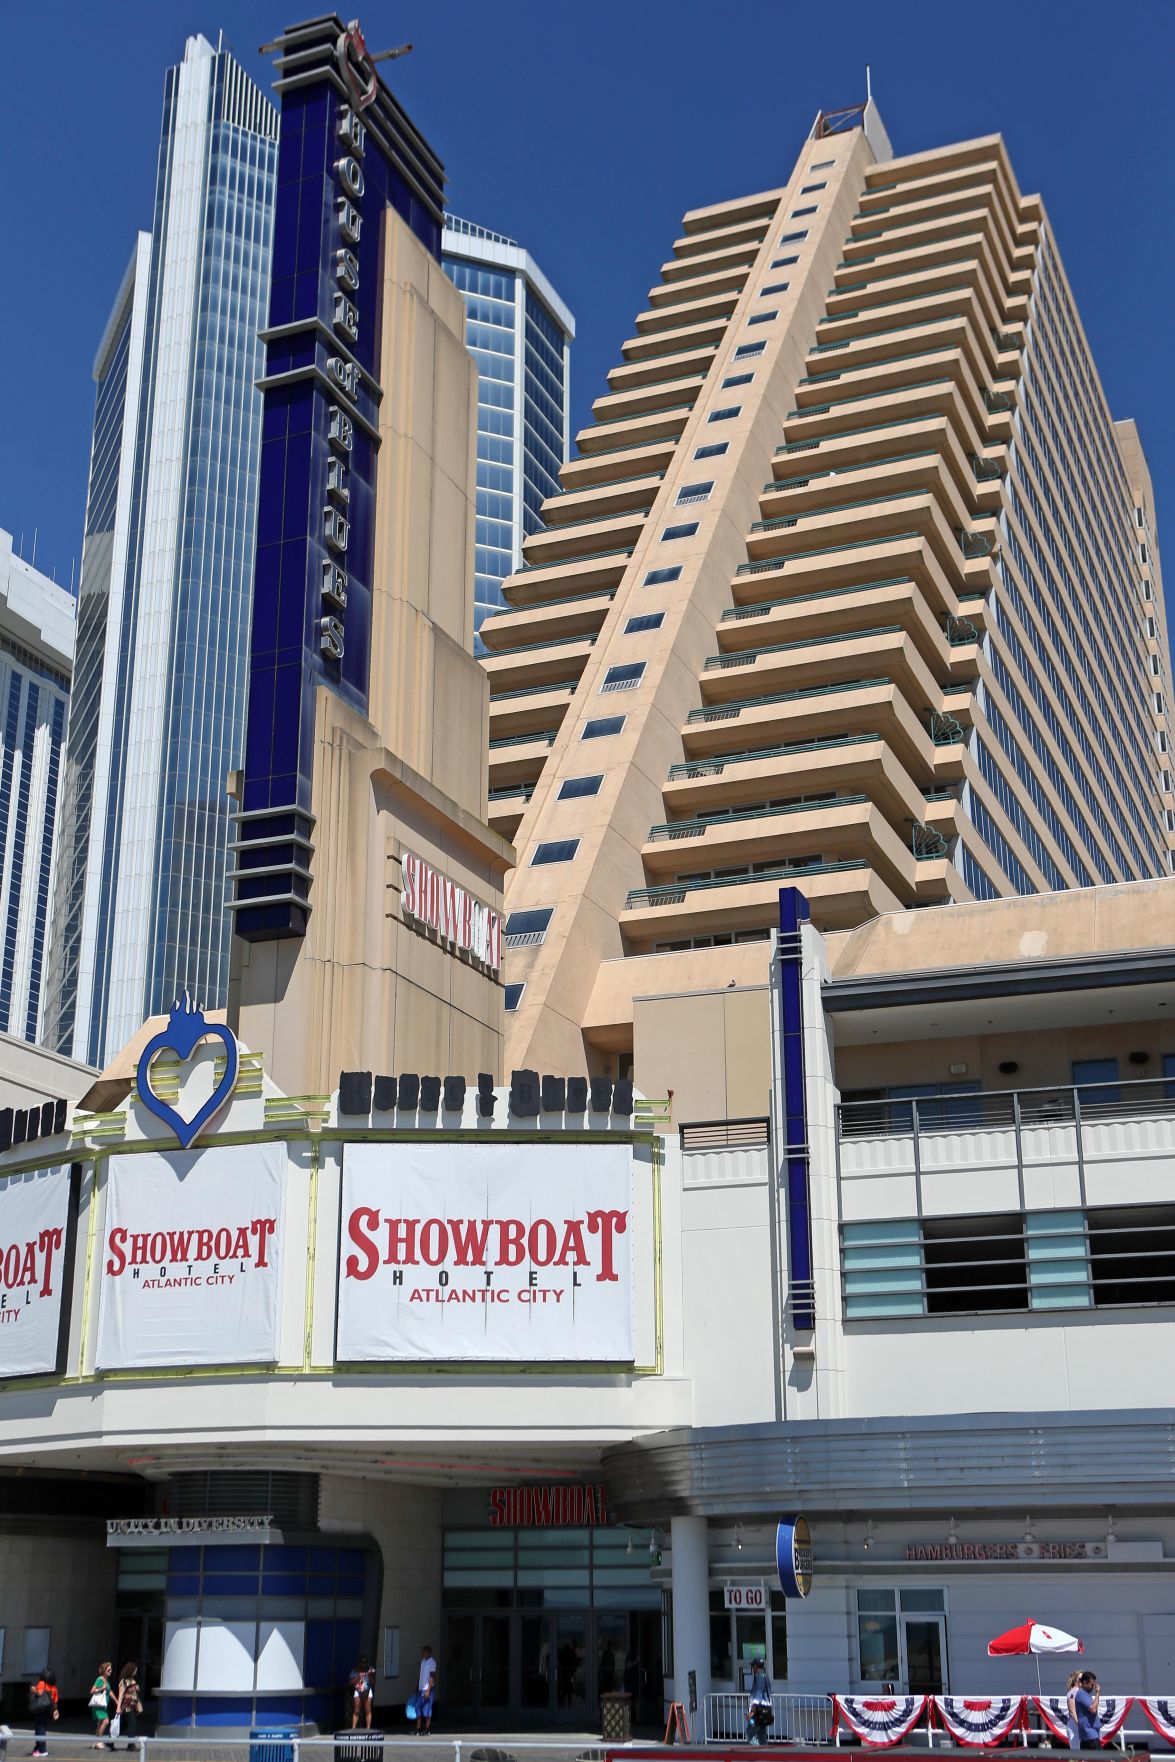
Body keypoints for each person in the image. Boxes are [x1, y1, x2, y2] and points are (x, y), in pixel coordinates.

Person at [28, 1671, 58, 1758]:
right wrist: (55, 1711)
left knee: (39, 1728)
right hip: (48, 1708)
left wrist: (32, 1688)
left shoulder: (42, 1683)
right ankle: (38, 1747)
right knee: (42, 1727)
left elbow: (39, 1692)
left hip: (40, 1708)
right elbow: (55, 1700)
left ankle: (42, 1749)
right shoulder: (53, 1687)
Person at [114, 1663, 143, 1753]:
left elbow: (135, 1694)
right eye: (135, 1670)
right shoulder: (124, 1681)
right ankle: (131, 1745)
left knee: (122, 1726)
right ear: (130, 1670)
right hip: (127, 1706)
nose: (135, 1672)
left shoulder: (133, 1680)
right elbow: (121, 1694)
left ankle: (110, 1742)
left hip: (133, 1706)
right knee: (132, 1724)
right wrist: (118, 1708)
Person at [1072, 1672, 1102, 1752]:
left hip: (1087, 1733)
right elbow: (1093, 1709)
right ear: (1085, 1683)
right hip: (1090, 1733)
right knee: (1100, 1758)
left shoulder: (1084, 1694)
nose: (1093, 1687)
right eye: (1091, 1685)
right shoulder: (1082, 1694)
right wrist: (1098, 1693)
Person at [745, 1658, 773, 1745]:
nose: (752, 1668)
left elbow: (757, 1697)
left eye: (753, 1666)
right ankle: (765, 1755)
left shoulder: (759, 1678)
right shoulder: (765, 1676)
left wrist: (751, 1713)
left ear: (756, 1667)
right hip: (764, 1711)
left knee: (749, 1735)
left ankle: (754, 1752)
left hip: (758, 1711)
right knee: (762, 1735)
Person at [89, 1663, 114, 1750]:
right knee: (106, 1721)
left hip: (103, 1705)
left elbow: (109, 1692)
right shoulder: (100, 1679)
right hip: (98, 1705)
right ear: (104, 1671)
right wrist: (101, 1688)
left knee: (100, 1724)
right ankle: (99, 1741)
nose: (110, 1671)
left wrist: (116, 1701)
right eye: (108, 1670)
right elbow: (92, 1691)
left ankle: (96, 1742)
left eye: (111, 1669)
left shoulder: (106, 1680)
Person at [415, 1646, 436, 1737]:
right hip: (421, 1688)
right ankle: (418, 1728)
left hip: (427, 1688)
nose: (422, 1654)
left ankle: (427, 1728)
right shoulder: (423, 1661)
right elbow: (421, 1675)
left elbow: (432, 1677)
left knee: (427, 1708)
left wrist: (428, 1690)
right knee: (418, 1708)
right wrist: (417, 1686)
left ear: (428, 1652)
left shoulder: (432, 1662)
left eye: (423, 1652)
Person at [350, 1656, 375, 1731]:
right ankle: (353, 1728)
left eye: (365, 1662)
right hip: (358, 1690)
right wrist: (358, 1676)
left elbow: (374, 1683)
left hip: (367, 1690)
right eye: (362, 1662)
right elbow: (350, 1683)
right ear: (359, 1662)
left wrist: (370, 1675)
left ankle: (368, 1729)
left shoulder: (370, 1670)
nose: (364, 1664)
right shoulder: (354, 1671)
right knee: (356, 1710)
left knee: (368, 1710)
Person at [1064, 1671, 1082, 1749]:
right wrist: (1080, 1724)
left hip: (1080, 1724)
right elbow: (1072, 1711)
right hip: (1075, 1725)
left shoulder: (1080, 1692)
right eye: (1081, 1678)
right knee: (1077, 1753)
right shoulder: (1073, 1692)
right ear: (1075, 1680)